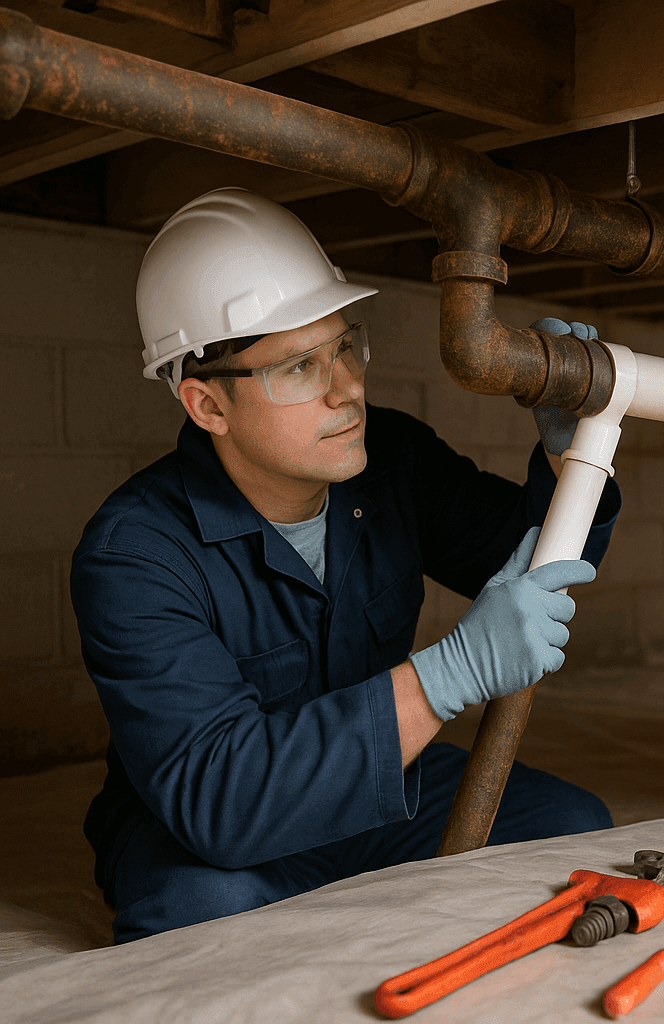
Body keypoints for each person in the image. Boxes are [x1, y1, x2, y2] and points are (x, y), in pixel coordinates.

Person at [72, 187, 620, 942]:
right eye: (299, 368)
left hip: (384, 786)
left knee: (571, 830)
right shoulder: (135, 555)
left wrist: (573, 458)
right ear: (207, 406)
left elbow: (543, 560)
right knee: (199, 919)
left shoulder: (389, 459)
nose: (348, 387)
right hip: (219, 825)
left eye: (344, 347)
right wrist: (449, 673)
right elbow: (223, 799)